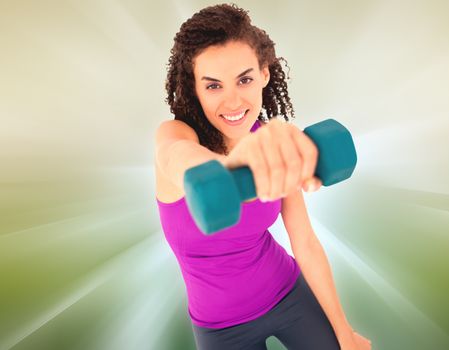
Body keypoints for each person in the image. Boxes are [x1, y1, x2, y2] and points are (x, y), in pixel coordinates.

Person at [155, 3, 371, 350]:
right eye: (213, 86)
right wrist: (228, 166)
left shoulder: (270, 143)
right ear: (193, 88)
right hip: (220, 327)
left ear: (265, 74)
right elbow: (176, 157)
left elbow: (306, 243)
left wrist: (343, 332)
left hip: (287, 292)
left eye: (244, 79)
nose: (233, 101)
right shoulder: (175, 134)